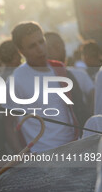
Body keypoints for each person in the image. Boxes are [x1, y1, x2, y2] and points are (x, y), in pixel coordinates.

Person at [5, 22, 78, 153]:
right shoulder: (15, 80)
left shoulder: (59, 69)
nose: (40, 49)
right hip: (43, 156)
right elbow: (8, 124)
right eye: (32, 46)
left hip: (74, 146)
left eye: (41, 41)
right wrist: (22, 155)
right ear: (21, 51)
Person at [44, 31, 92, 125]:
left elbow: (93, 96)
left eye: (59, 45)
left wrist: (89, 123)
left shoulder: (79, 74)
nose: (59, 49)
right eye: (50, 47)